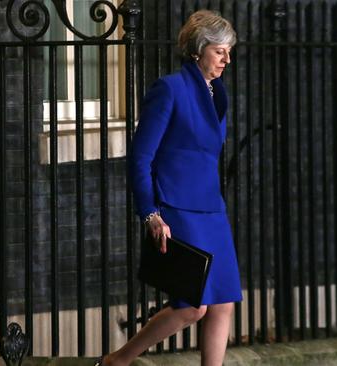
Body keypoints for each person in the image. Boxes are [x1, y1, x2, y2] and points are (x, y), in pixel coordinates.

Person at [95, 9, 242, 366]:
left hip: (212, 208)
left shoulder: (217, 94)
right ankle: (118, 359)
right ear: (198, 50)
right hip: (177, 207)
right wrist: (151, 214)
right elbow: (140, 158)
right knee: (193, 306)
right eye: (219, 50)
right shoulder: (170, 89)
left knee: (222, 302)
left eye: (229, 50)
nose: (227, 58)